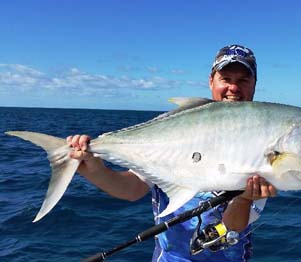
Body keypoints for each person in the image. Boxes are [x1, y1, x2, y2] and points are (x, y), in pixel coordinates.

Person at [68, 44, 277, 261]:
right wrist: (93, 170)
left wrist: (244, 199)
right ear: (211, 81)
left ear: (254, 85)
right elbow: (132, 188)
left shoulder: (261, 139)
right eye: (226, 78)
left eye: (243, 80)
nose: (234, 88)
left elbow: (233, 226)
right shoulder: (172, 126)